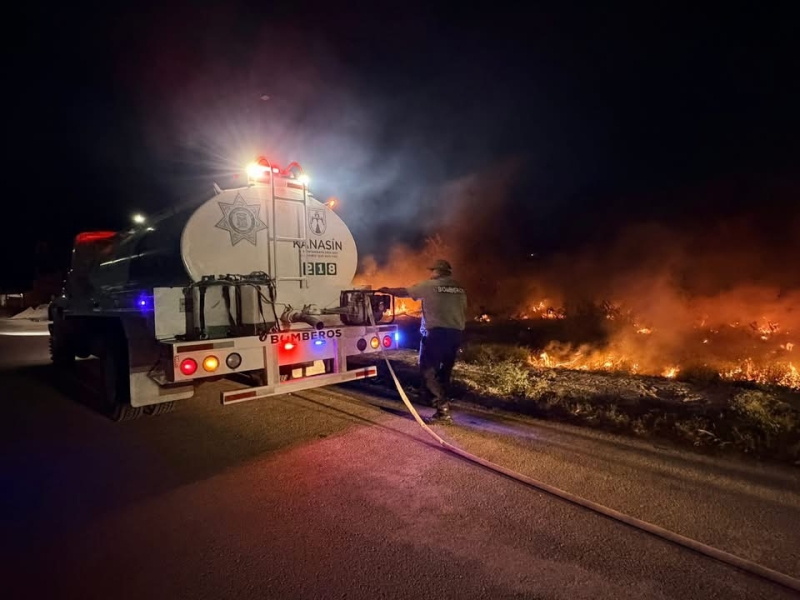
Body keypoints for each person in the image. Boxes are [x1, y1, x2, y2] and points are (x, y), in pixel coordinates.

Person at [379, 259, 467, 424]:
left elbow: (405, 292)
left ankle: (442, 410)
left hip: (436, 335)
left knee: (428, 370)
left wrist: (387, 291)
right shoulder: (459, 288)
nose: (431, 273)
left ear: (438, 272)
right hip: (456, 334)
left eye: (432, 270)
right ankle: (432, 398)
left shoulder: (429, 285)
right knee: (445, 372)